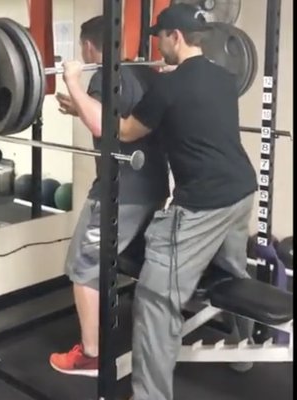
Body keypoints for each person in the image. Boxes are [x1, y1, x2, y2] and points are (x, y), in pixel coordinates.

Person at [116, 4, 258, 399]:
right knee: (232, 270)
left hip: (202, 206)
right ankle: (245, 352)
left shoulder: (169, 87)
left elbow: (125, 132)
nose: (157, 44)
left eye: (160, 36)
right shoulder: (225, 77)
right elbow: (194, 119)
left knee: (156, 298)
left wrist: (77, 96)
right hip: (241, 191)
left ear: (175, 37)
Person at [49, 16, 169, 377]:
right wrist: (81, 105)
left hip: (121, 193)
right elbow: (121, 117)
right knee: (117, 259)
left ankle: (90, 354)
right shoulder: (145, 72)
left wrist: (72, 81)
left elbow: (105, 125)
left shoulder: (104, 75)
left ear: (88, 47)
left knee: (83, 266)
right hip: (154, 189)